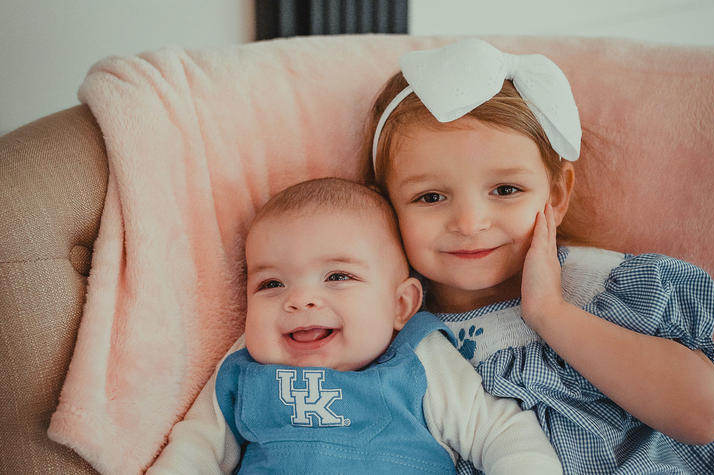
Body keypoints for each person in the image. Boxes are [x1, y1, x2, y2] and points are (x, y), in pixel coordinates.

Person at [366, 38, 714, 474]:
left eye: (505, 190)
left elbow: (705, 415)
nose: (470, 223)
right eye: (431, 196)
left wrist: (551, 313)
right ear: (386, 208)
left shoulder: (600, 288)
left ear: (554, 196)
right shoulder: (395, 334)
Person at [148, 177, 562, 474]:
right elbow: (196, 448)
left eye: (337, 277)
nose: (300, 299)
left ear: (401, 305)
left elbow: (498, 431)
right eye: (271, 283)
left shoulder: (418, 358)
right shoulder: (242, 370)